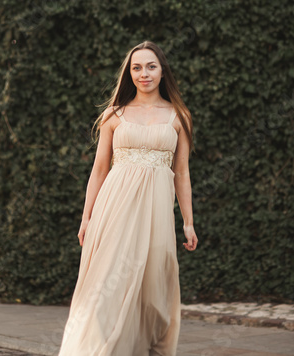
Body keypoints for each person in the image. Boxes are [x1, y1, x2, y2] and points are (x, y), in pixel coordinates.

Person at [57, 40, 198, 356]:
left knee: (154, 290)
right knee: (108, 285)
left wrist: (188, 222)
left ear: (162, 71)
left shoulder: (179, 116)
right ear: (129, 73)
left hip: (157, 215)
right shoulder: (114, 114)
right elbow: (99, 170)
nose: (143, 74)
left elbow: (183, 173)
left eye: (151, 66)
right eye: (137, 67)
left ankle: (143, 348)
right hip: (113, 210)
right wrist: (86, 217)